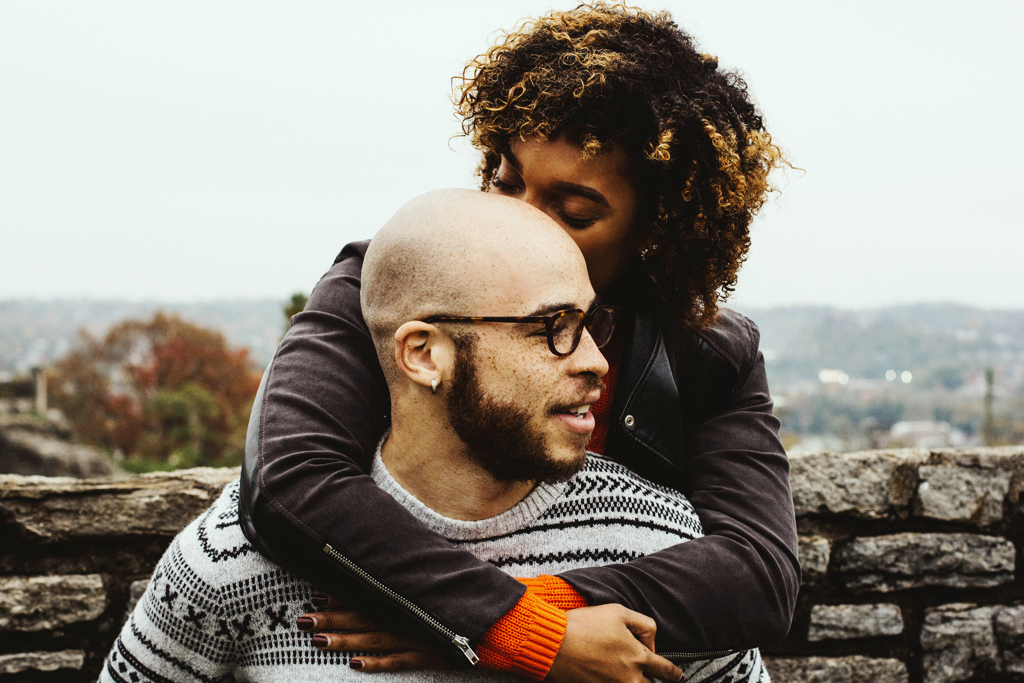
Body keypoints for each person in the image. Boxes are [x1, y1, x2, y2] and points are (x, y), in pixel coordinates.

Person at [240, 3, 799, 680]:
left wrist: (525, 620)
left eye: (573, 211)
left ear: (657, 228)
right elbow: (289, 479)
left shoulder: (709, 353)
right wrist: (511, 628)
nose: (519, 220)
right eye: (506, 181)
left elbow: (760, 573)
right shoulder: (389, 282)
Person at [102, 189, 768, 683]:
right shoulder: (232, 563)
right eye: (553, 327)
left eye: (592, 323)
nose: (595, 359)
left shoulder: (657, 544)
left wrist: (514, 624)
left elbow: (761, 576)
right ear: (422, 353)